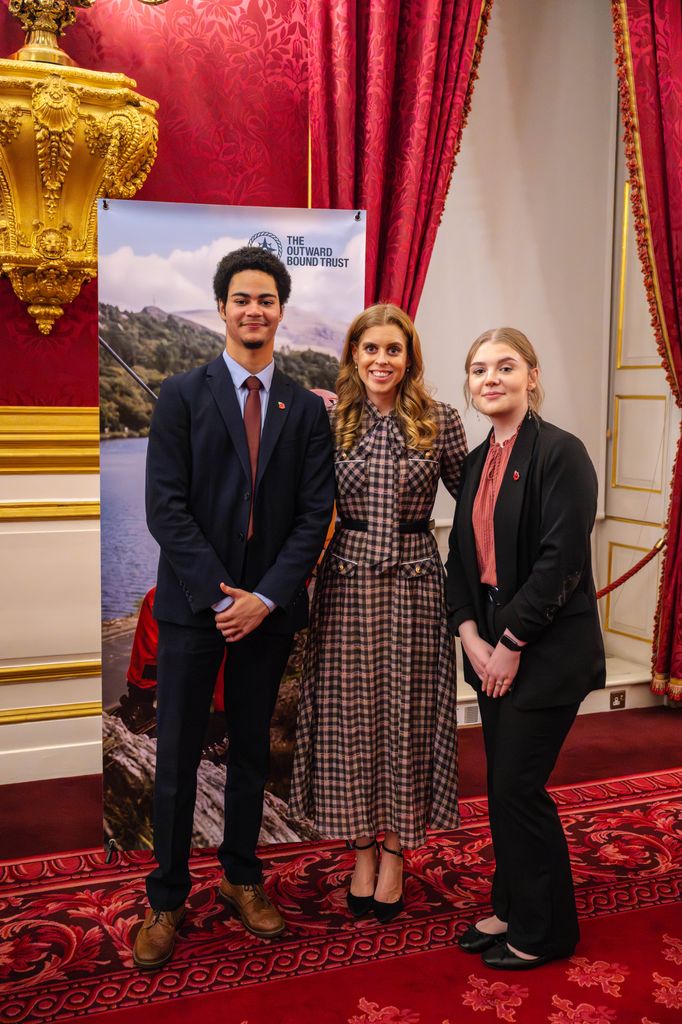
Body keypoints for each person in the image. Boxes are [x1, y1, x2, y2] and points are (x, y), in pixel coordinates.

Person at [132, 247, 335, 970]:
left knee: (251, 751)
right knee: (177, 759)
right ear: (222, 308)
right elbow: (166, 509)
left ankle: (243, 879)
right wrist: (225, 597)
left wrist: (266, 598)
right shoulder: (181, 396)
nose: (255, 310)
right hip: (196, 610)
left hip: (269, 613)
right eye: (241, 299)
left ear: (280, 310)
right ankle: (166, 896)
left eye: (267, 299)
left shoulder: (306, 407)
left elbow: (316, 515)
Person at [289, 303, 467, 923]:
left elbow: (475, 505)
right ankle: (361, 850)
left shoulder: (439, 421)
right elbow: (302, 506)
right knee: (351, 721)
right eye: (371, 350)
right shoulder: (330, 422)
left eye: (394, 350)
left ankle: (396, 854)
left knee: (409, 717)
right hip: (345, 583)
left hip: (418, 582)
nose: (382, 361)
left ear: (409, 357)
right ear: (354, 357)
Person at [445, 327, 605, 970]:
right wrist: (470, 636)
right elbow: (459, 559)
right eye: (479, 369)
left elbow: (560, 561)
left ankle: (546, 931)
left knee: (518, 787)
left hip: (542, 649)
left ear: (531, 377)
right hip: (486, 646)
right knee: (504, 786)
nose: (491, 378)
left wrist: (508, 643)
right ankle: (511, 906)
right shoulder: (475, 460)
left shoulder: (562, 453)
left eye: (505, 367)